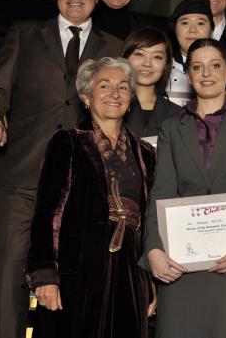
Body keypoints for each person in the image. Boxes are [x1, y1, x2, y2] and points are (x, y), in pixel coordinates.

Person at [0, 0, 122, 338]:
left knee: (70, 278)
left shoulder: (116, 48)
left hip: (83, 184)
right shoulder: (24, 34)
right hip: (23, 175)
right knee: (11, 272)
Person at [144, 38, 226, 338]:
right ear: (188, 75)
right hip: (181, 264)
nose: (207, 73)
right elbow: (161, 192)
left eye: (215, 65)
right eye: (197, 67)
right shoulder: (170, 127)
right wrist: (153, 248)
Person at [25, 57, 156, 338]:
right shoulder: (68, 142)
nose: (115, 94)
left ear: (131, 98)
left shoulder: (146, 153)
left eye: (123, 87)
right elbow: (48, 211)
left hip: (130, 271)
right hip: (79, 263)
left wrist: (149, 283)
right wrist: (45, 274)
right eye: (104, 86)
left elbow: (148, 223)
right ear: (86, 96)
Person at [122, 27, 181, 138]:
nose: (147, 63)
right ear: (125, 58)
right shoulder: (111, 106)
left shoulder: (179, 115)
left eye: (157, 57)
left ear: (166, 65)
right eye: (139, 54)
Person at [166, 0, 214, 97]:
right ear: (175, 30)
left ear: (211, 30)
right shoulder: (161, 69)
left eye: (200, 23)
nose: (193, 30)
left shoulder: (223, 71)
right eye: (185, 23)